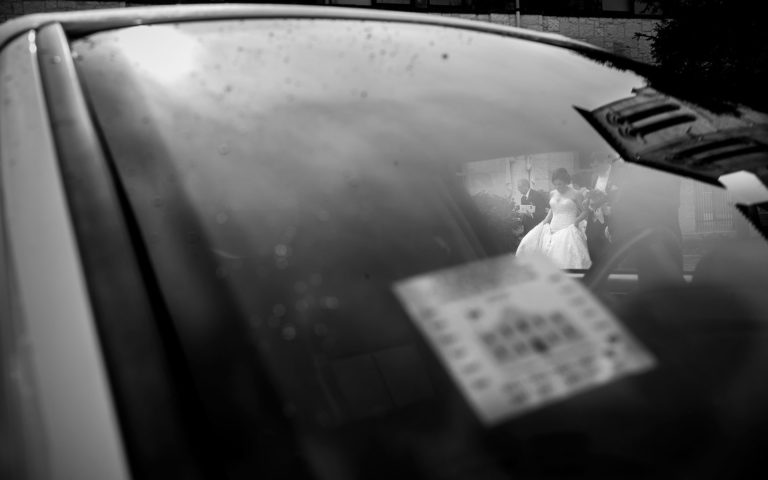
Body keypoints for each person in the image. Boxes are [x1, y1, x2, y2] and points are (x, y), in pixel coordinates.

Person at [516, 168, 592, 269]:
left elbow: (585, 211)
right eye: (555, 184)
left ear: (566, 181)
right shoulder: (552, 193)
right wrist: (544, 222)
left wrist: (576, 222)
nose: (557, 187)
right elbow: (553, 210)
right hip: (552, 228)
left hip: (568, 228)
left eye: (560, 184)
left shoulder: (576, 194)